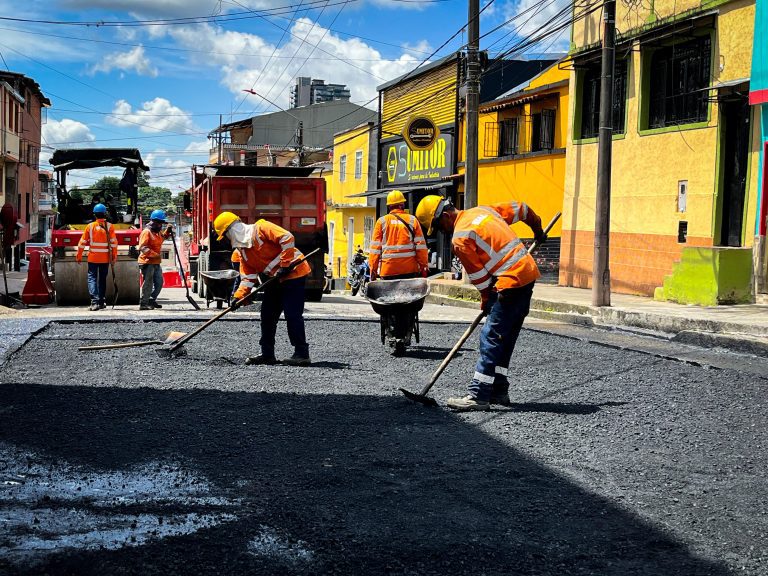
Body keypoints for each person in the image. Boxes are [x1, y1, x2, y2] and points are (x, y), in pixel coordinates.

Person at [415, 195, 547, 412]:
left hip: (510, 282)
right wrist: (538, 230)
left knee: (491, 336)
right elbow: (523, 208)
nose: (442, 231)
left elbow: (480, 278)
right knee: (506, 336)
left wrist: (486, 300)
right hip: (527, 275)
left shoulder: (460, 238)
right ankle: (499, 390)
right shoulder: (484, 211)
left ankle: (479, 394)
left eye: (439, 226)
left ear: (446, 216)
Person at [213, 211, 311, 366]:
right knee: (267, 315)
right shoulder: (243, 252)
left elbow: (287, 237)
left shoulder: (261, 227)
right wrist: (238, 297)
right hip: (275, 279)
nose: (226, 240)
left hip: (294, 274)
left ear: (231, 231)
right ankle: (267, 354)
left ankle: (301, 354)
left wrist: (285, 265)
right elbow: (247, 279)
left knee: (292, 314)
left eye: (225, 236)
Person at [369, 190, 428, 281]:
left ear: (389, 206)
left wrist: (373, 270)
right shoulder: (412, 220)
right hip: (409, 270)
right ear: (402, 205)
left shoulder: (381, 222)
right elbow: (421, 247)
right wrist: (424, 266)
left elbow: (375, 250)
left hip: (388, 271)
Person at [76, 203, 118, 311]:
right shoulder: (110, 226)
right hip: (105, 259)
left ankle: (94, 302)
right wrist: (114, 256)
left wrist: (79, 255)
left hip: (93, 258)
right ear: (105, 214)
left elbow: (82, 242)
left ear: (94, 214)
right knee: (102, 279)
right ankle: (101, 301)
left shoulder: (90, 227)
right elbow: (114, 243)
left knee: (92, 279)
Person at [138, 209, 173, 310]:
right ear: (154, 222)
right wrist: (154, 255)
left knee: (159, 282)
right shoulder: (146, 232)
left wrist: (168, 231)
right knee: (148, 283)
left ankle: (151, 300)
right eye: (160, 223)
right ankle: (144, 303)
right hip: (147, 262)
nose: (161, 225)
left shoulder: (157, 232)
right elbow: (143, 247)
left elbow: (163, 238)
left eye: (162, 224)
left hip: (156, 262)